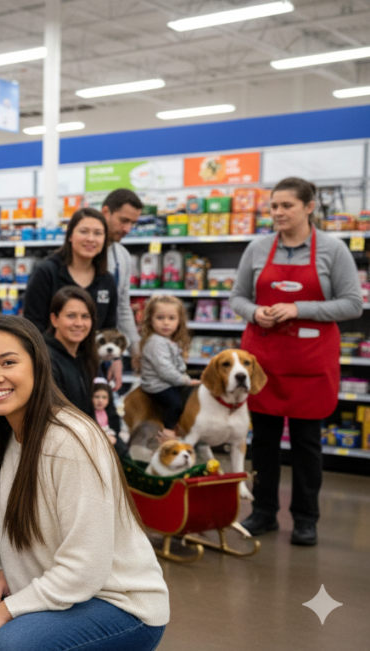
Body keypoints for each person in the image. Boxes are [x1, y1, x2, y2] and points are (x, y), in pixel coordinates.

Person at [0, 316, 169, 651]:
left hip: (122, 606)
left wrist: (8, 610)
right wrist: (5, 571)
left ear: (38, 366)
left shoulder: (69, 441)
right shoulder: (13, 434)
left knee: (4, 645)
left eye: (8, 362)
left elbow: (85, 568)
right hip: (75, 597)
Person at [232, 177, 362, 547]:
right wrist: (256, 313)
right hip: (265, 360)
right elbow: (237, 296)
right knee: (265, 442)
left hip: (310, 363)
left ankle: (306, 519)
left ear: (308, 207)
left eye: (286, 206)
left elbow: (352, 304)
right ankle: (264, 512)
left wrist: (297, 308)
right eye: (273, 206)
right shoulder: (257, 249)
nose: (277, 213)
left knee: (306, 444)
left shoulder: (333, 251)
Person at [23, 208, 118, 337]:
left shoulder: (107, 280)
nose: (91, 239)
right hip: (49, 355)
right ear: (70, 236)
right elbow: (32, 325)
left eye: (98, 233)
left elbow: (108, 329)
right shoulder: (46, 273)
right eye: (84, 232)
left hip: (93, 356)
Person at [137, 295, 201, 439]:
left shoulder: (169, 341)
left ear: (179, 321)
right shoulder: (156, 343)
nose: (166, 323)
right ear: (150, 320)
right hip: (158, 385)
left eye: (171, 318)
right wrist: (186, 381)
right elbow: (165, 371)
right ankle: (169, 430)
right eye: (160, 318)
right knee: (175, 404)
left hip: (169, 381)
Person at [101, 189, 145, 388]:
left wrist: (136, 348)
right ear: (105, 212)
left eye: (132, 223)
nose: (127, 229)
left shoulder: (123, 256)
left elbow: (122, 306)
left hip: (107, 349)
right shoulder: (83, 252)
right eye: (123, 220)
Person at [42, 286, 98, 418]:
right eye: (71, 316)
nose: (79, 323)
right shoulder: (45, 357)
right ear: (55, 319)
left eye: (85, 316)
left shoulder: (85, 355)